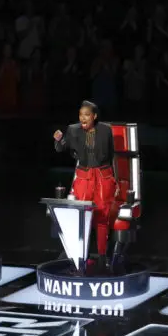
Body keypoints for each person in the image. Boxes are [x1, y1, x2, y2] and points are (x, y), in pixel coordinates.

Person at [54, 100, 119, 272]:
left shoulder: (106, 130)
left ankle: (103, 257)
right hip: (84, 177)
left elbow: (112, 156)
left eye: (87, 115)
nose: (83, 118)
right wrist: (58, 140)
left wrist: (115, 180)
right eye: (81, 114)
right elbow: (61, 148)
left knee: (102, 217)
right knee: (82, 218)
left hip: (103, 177)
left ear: (94, 116)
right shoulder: (73, 129)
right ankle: (82, 257)